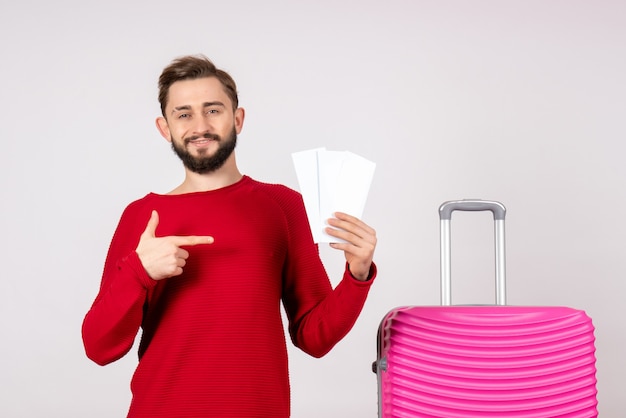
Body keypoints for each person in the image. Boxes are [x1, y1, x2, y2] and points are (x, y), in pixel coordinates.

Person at [81, 54, 378, 418]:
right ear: (165, 128)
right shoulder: (142, 217)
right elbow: (99, 347)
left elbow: (314, 337)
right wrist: (138, 272)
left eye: (213, 110)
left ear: (237, 119)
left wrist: (357, 274)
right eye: (184, 114)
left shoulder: (283, 205)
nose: (200, 125)